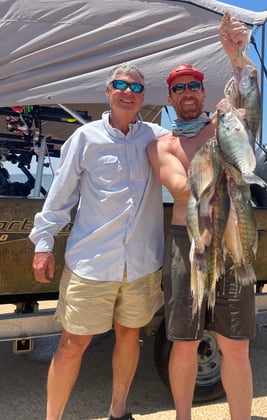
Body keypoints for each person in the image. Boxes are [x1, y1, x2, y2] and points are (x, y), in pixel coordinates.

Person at [29, 62, 169, 420]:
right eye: (120, 85)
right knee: (73, 342)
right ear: (107, 92)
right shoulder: (85, 137)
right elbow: (60, 196)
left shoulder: (156, 136)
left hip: (140, 263)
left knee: (129, 335)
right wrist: (43, 243)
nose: (128, 92)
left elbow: (198, 139)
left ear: (143, 98)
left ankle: (118, 411)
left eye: (136, 88)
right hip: (91, 261)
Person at [147, 14, 256, 420]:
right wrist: (223, 158)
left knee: (236, 344)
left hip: (231, 237)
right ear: (170, 98)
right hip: (186, 244)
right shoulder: (162, 144)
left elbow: (248, 99)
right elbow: (181, 189)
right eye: (179, 88)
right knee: (184, 342)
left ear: (204, 90)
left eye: (194, 85)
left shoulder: (223, 124)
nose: (188, 92)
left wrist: (237, 55)